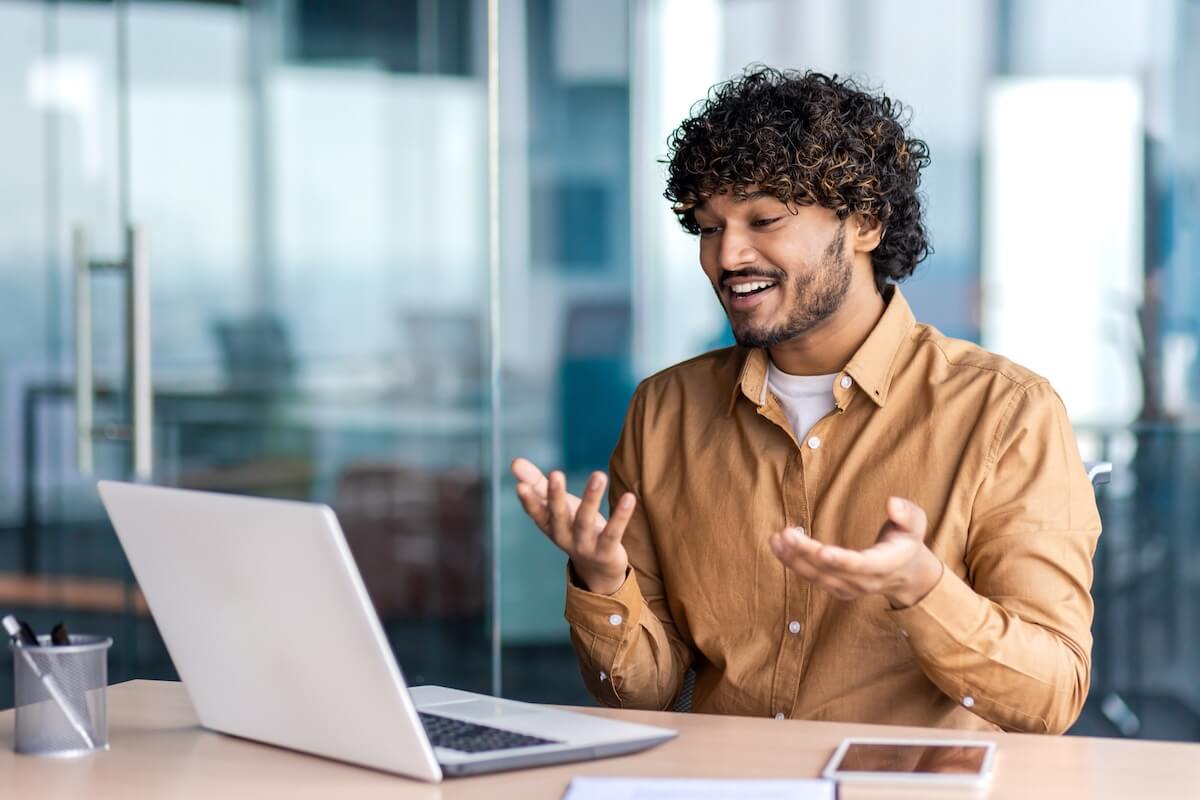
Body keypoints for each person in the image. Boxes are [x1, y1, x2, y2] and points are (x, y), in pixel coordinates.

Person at [512, 67, 1100, 734]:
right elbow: (643, 694)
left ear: (867, 224)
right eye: (707, 227)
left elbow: (1050, 697)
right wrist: (602, 577)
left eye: (764, 219)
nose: (728, 255)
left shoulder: (1006, 413)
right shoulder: (664, 409)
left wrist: (922, 588)